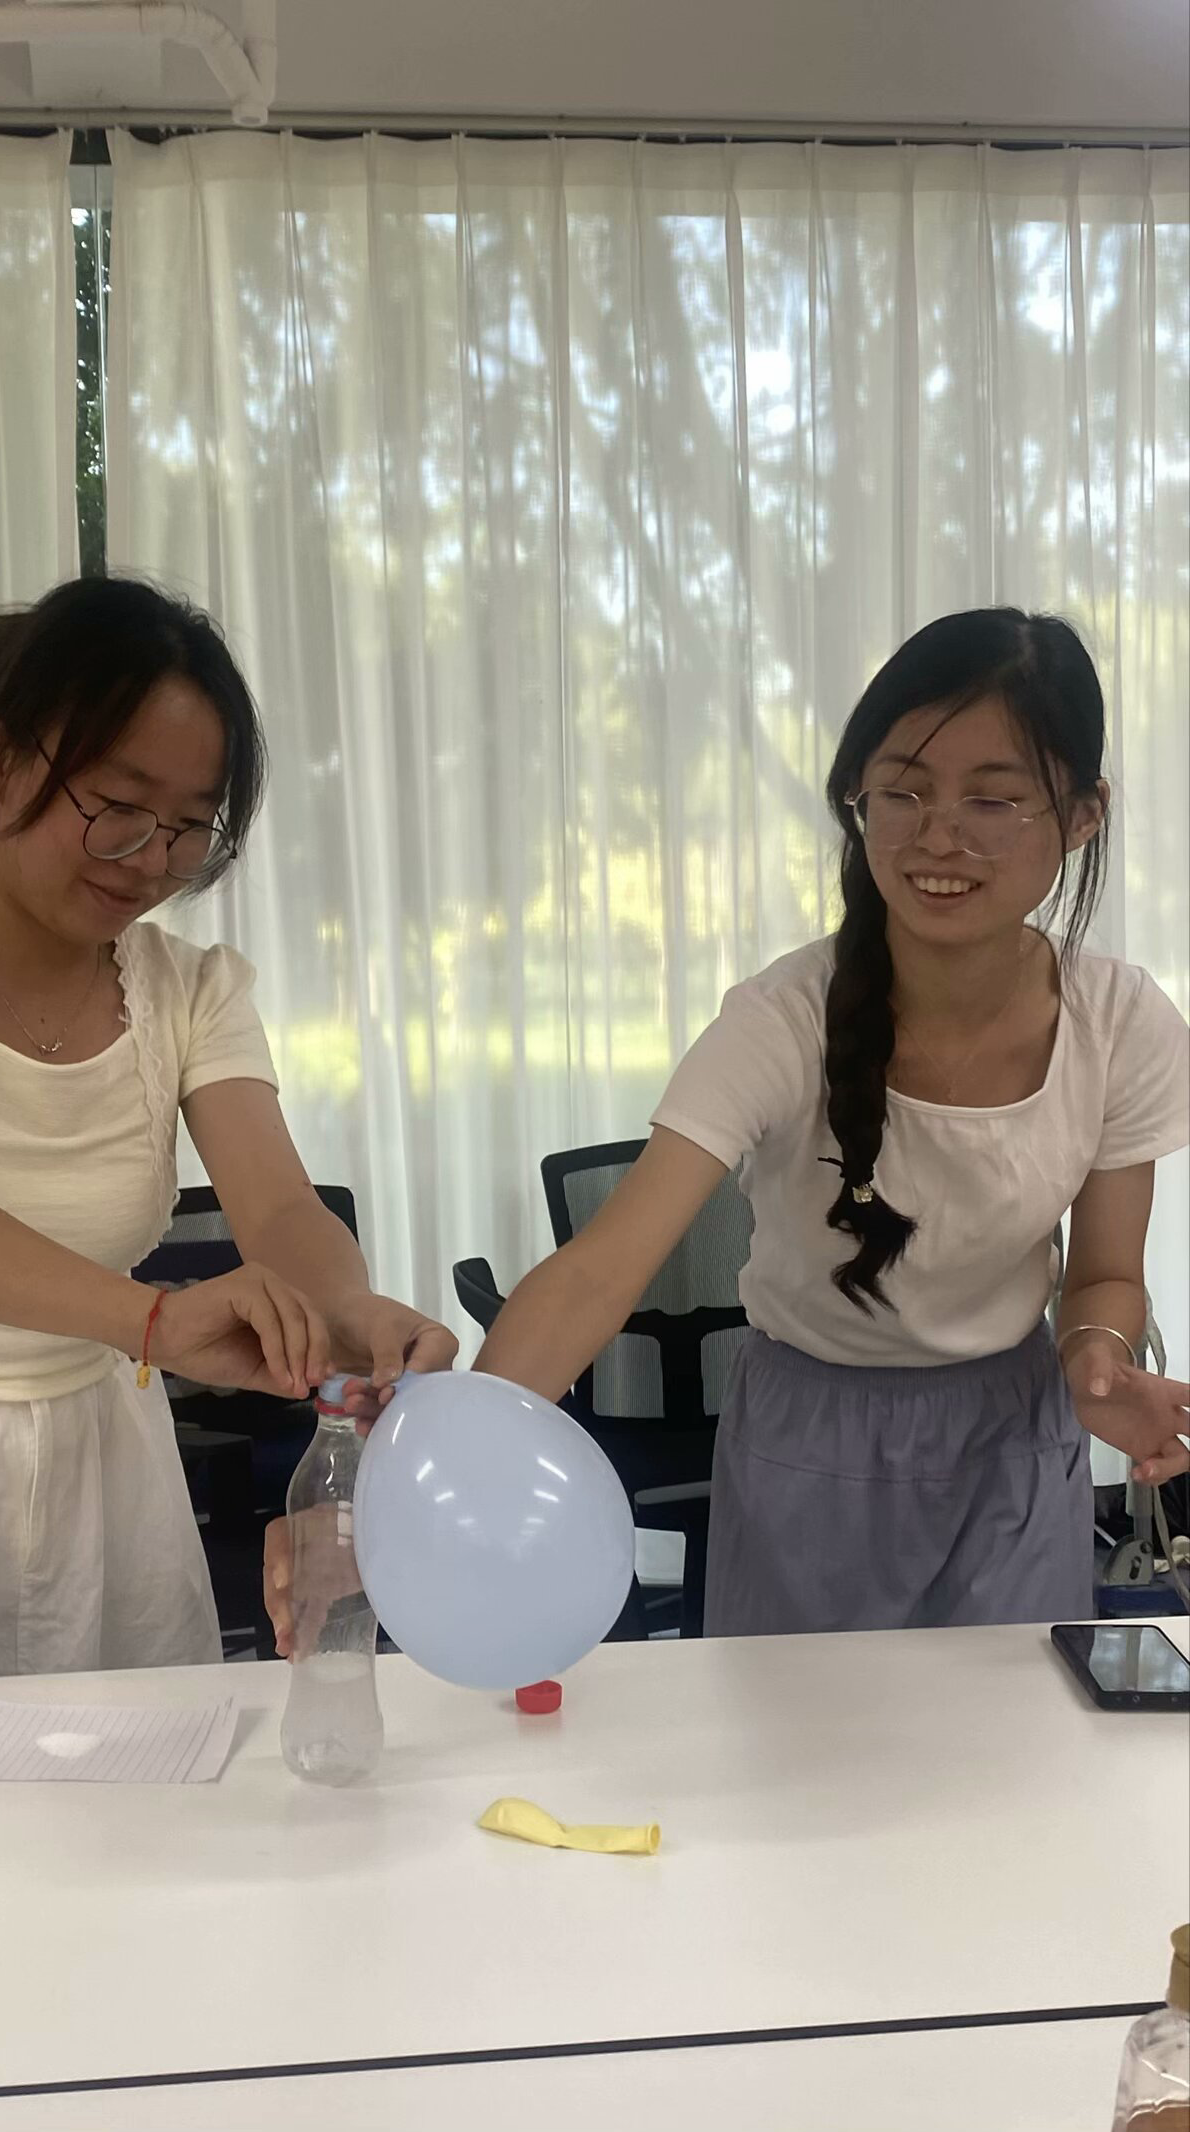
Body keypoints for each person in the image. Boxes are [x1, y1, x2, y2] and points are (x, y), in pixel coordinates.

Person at [0, 575, 456, 1690]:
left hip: (104, 1470)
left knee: (124, 1782)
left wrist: (343, 1311)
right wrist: (148, 1319)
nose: (151, 859)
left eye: (191, 826)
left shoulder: (191, 991)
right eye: (118, 805)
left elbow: (275, 1204)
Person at [474, 609, 1190, 1636]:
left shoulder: (1121, 1023)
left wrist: (1094, 1357)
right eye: (902, 790)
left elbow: (1107, 1273)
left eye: (991, 799)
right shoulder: (780, 1019)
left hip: (1014, 1442)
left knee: (1011, 1729)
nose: (937, 836)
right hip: (808, 1441)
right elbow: (600, 1270)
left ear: (1081, 815)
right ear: (857, 796)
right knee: (797, 1734)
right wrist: (453, 1456)